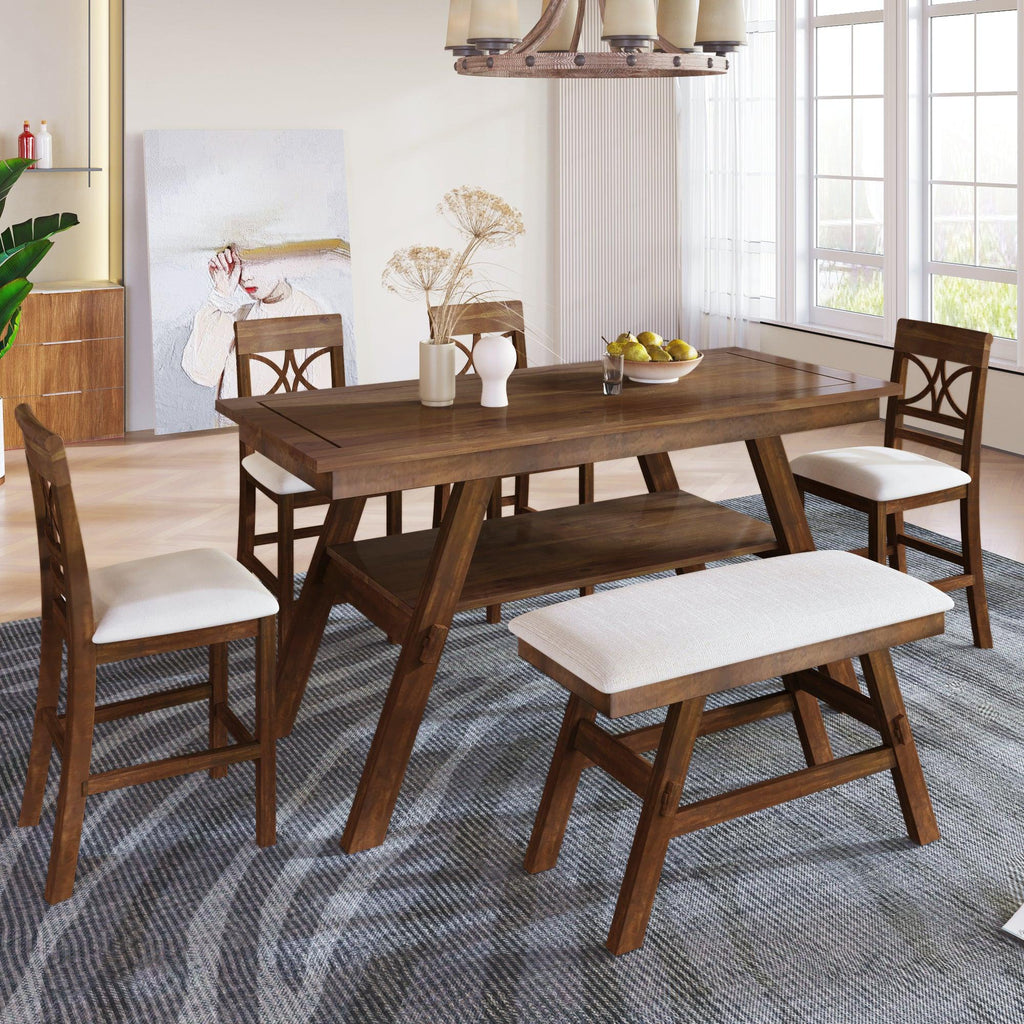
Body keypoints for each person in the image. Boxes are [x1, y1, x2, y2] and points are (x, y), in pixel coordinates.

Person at [181, 239, 348, 398]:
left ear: (282, 260)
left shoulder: (312, 314)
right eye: (238, 264)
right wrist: (221, 295)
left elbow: (325, 397)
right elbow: (202, 374)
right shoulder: (236, 316)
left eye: (255, 263)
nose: (245, 276)